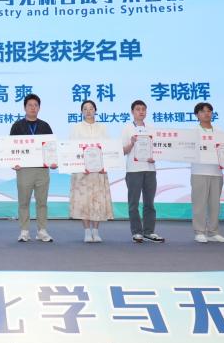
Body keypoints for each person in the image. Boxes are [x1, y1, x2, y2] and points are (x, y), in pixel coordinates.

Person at [10, 93, 57, 242]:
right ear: (24, 107)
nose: (33, 108)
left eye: (36, 105)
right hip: (24, 170)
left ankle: (42, 231)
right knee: (24, 202)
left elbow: (51, 148)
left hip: (42, 170)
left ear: (39, 108)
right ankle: (24, 231)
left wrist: (53, 162)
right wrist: (12, 162)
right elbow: (10, 148)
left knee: (42, 202)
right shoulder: (17, 126)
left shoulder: (45, 126)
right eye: (30, 105)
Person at [68, 99, 113, 243]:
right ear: (81, 112)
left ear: (95, 110)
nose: (88, 111)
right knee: (84, 202)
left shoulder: (102, 127)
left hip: (98, 171)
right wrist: (81, 166)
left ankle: (96, 231)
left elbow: (107, 148)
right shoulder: (76, 128)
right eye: (85, 109)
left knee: (97, 200)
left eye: (91, 108)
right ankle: (87, 231)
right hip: (82, 172)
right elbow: (72, 149)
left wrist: (105, 165)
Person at [121, 99, 163, 243]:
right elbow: (123, 151)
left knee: (149, 203)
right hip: (133, 170)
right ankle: (137, 232)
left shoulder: (152, 128)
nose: (141, 112)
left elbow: (158, 149)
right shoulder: (127, 128)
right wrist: (132, 143)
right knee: (133, 203)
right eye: (138, 109)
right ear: (132, 112)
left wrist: (155, 157)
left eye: (143, 109)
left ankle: (149, 232)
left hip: (150, 169)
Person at [190, 102, 224, 244]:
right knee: (199, 204)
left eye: (209, 111)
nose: (206, 114)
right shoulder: (193, 132)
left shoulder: (219, 131)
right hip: (199, 172)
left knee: (214, 205)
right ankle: (199, 232)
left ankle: (213, 232)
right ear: (197, 115)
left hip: (216, 172)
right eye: (203, 111)